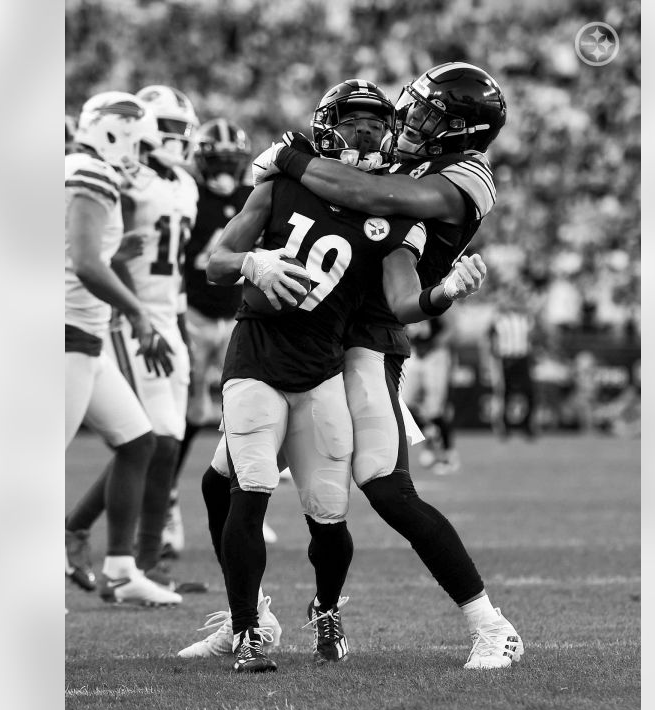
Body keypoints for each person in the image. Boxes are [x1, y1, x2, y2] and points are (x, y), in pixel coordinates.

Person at [202, 79, 487, 674]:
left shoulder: (398, 197)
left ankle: (326, 611)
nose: (368, 132)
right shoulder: (282, 188)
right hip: (260, 352)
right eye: (352, 121)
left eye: (373, 123)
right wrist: (251, 260)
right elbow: (217, 263)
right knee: (238, 484)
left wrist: (440, 295)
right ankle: (246, 625)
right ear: (329, 122)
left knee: (339, 504)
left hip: (336, 360)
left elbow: (401, 284)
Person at [64, 85, 201, 597]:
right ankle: (119, 549)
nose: (163, 143)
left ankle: (130, 567)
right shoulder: (103, 173)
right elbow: (91, 250)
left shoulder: (183, 185)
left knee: (149, 440)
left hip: (159, 314)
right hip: (116, 317)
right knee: (158, 439)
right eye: (153, 134)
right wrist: (136, 308)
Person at [175, 118, 279, 550]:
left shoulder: (248, 196)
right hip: (193, 315)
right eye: (216, 161)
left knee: (242, 412)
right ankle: (166, 505)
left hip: (236, 317)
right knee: (187, 416)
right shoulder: (186, 195)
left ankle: (245, 504)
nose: (223, 170)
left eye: (230, 161)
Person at [402, 314, 459, 473]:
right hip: (412, 352)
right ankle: (430, 432)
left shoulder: (437, 292)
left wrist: (434, 343)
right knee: (402, 403)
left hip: (435, 354)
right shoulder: (403, 293)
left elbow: (451, 328)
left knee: (435, 409)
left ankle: (449, 454)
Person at [488, 289, 540, 440]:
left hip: (522, 357)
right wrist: (492, 359)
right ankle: (503, 426)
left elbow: (532, 338)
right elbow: (490, 340)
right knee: (504, 393)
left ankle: (527, 425)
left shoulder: (526, 318)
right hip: (505, 358)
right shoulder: (498, 318)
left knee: (529, 392)